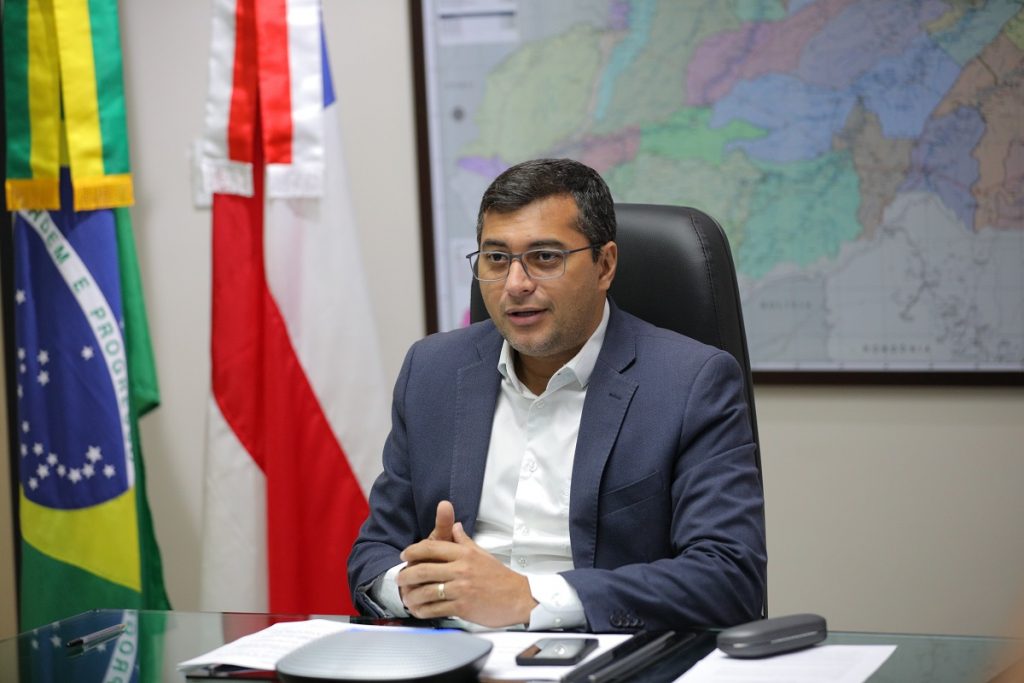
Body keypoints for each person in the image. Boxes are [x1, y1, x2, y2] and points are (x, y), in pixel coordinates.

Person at [348, 158, 766, 632]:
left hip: (602, 655)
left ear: (605, 265)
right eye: (496, 258)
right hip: (451, 655)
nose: (516, 284)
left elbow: (728, 577)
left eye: (545, 257)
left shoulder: (692, 382)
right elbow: (374, 553)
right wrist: (410, 585)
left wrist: (529, 598)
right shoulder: (432, 371)